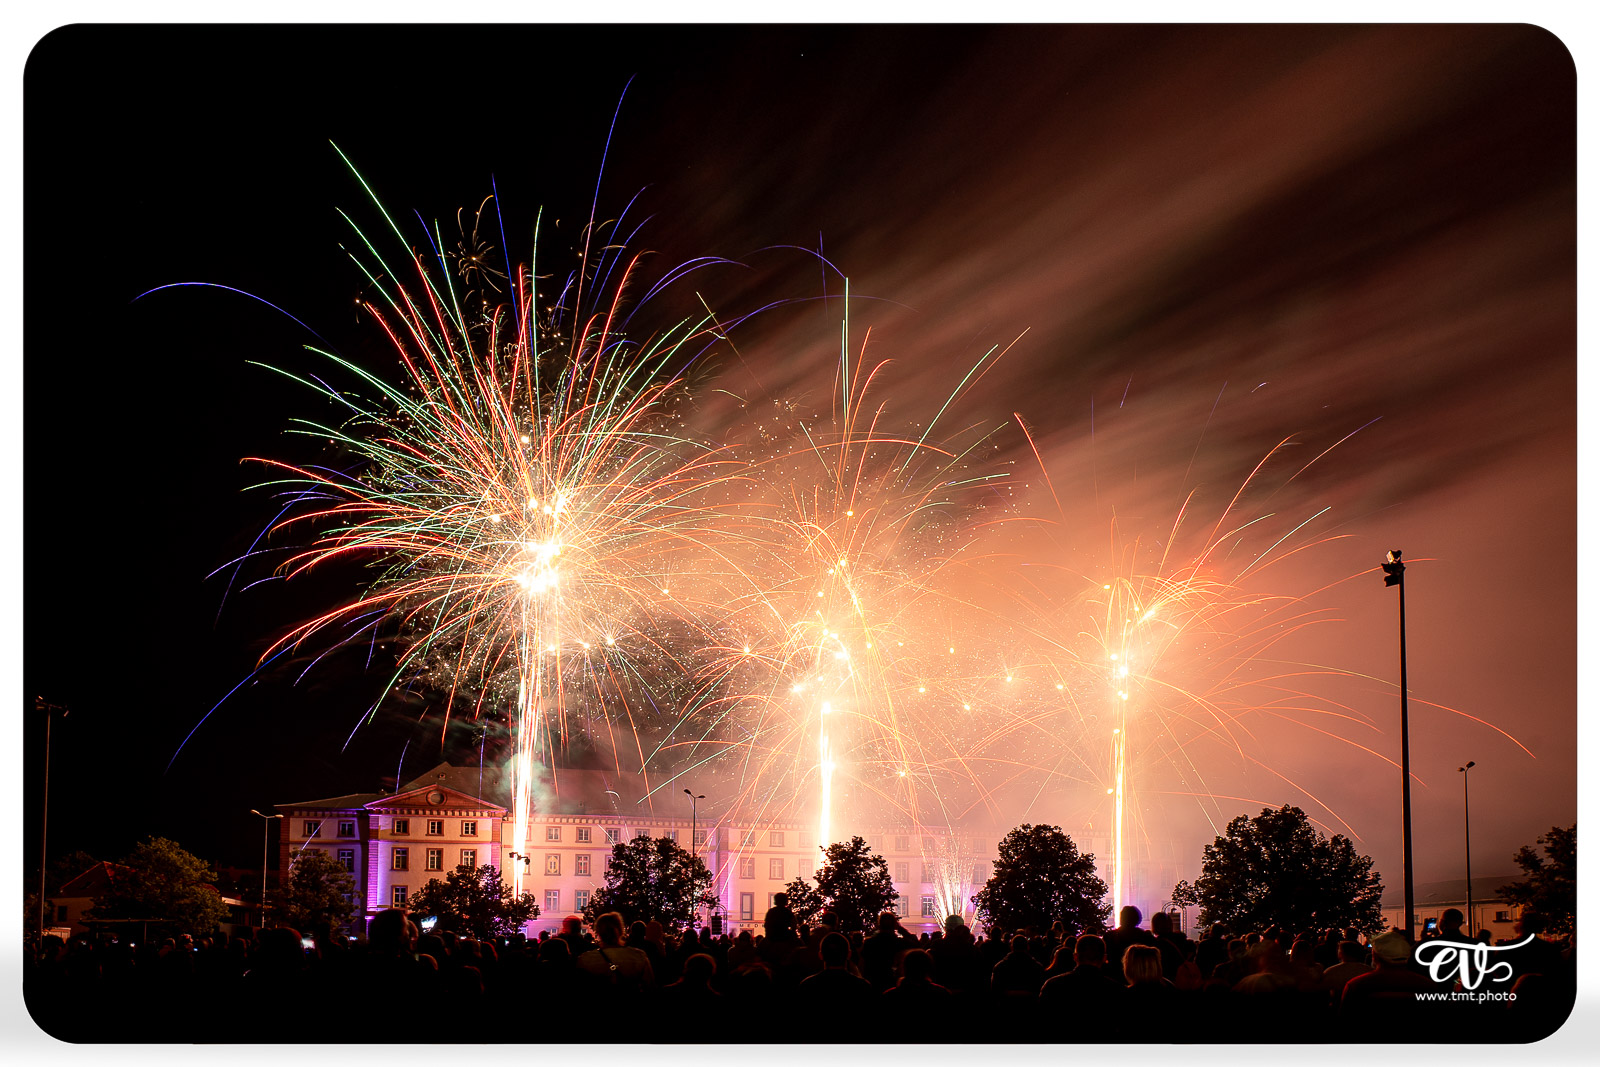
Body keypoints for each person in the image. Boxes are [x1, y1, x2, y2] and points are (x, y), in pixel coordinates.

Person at [1103, 906, 1156, 984]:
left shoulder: (1110, 936)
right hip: (1139, 977)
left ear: (1122, 918)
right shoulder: (1145, 936)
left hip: (1115, 977)